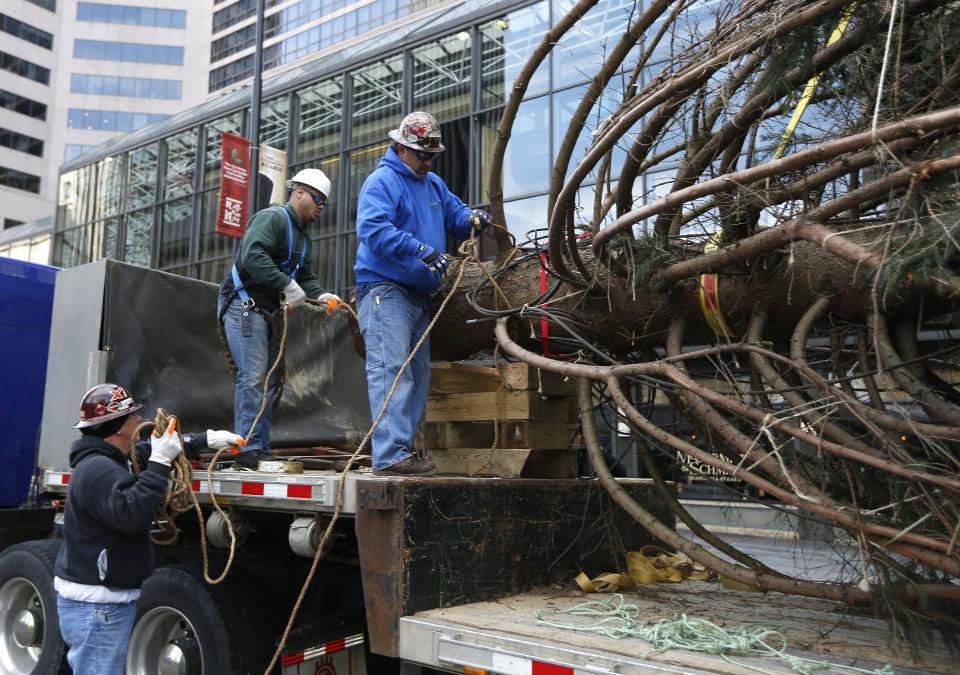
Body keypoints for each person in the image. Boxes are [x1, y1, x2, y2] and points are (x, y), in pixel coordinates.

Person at [54, 384, 243, 674]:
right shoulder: (97, 470)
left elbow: (147, 451)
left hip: (101, 603)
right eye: (131, 415)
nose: (138, 419)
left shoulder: (113, 459)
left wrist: (205, 439)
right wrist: (160, 463)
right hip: (98, 606)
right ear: (117, 427)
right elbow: (132, 514)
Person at [354, 111, 492, 476]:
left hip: (417, 296)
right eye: (422, 155)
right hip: (385, 291)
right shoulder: (381, 182)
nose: (428, 162)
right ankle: (389, 455)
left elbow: (456, 214)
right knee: (392, 371)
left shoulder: (432, 184)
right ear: (401, 148)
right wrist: (419, 249)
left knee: (416, 377)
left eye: (433, 156)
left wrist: (473, 219)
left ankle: (402, 452)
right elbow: (372, 229)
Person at [218, 169, 342, 468]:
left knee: (269, 379)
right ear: (299, 192)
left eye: (324, 201)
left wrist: (320, 294)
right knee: (254, 375)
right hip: (244, 303)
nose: (321, 206)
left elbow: (306, 277)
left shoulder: (302, 238)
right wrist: (286, 284)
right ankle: (247, 448)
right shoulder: (273, 218)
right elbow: (252, 256)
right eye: (318, 198)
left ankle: (257, 446)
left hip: (265, 309)